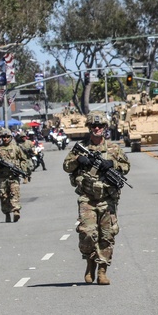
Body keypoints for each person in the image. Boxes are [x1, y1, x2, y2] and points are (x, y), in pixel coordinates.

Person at [62, 112, 130, 285]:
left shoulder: (113, 149)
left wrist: (113, 164)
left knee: (107, 236)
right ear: (89, 128)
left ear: (105, 129)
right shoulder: (80, 148)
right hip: (87, 198)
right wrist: (79, 160)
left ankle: (102, 270)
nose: (97, 129)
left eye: (100, 126)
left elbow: (126, 166)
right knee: (87, 233)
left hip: (108, 199)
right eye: (93, 126)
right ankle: (90, 262)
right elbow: (66, 166)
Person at [0, 127, 30, 222]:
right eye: (3, 137)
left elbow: (23, 159)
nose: (5, 139)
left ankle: (16, 210)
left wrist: (22, 169)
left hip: (13, 175)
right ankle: (7, 213)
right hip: (2, 176)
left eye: (7, 137)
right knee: (3, 196)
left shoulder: (16, 148)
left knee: (15, 193)